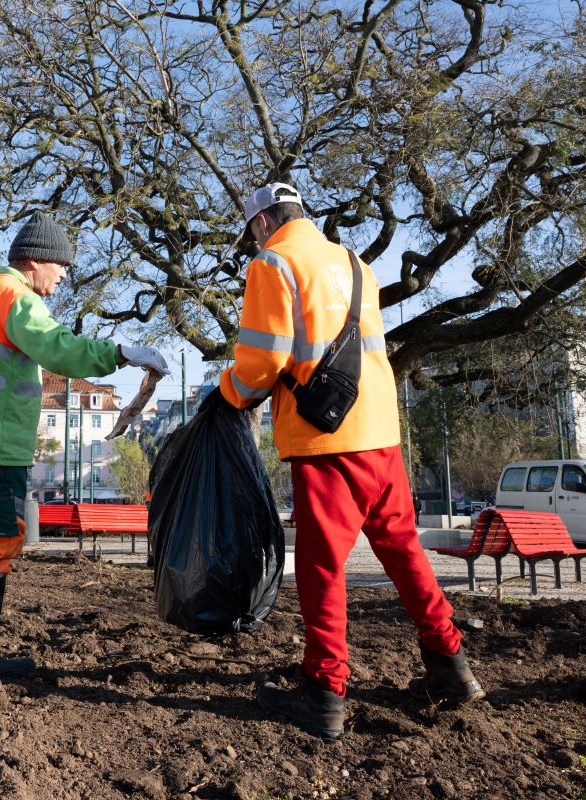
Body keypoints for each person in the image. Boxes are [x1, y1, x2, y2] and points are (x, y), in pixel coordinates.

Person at [212, 182, 485, 739]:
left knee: (321, 565)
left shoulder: (273, 262)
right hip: (381, 433)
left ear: (261, 225)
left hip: (326, 439)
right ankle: (451, 666)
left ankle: (325, 690)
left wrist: (227, 396)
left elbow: (263, 361)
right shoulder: (355, 263)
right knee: (404, 551)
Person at [0, 211, 169, 679]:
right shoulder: (17, 297)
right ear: (34, 262)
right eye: (61, 265)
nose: (66, 275)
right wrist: (120, 353)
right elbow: (57, 347)